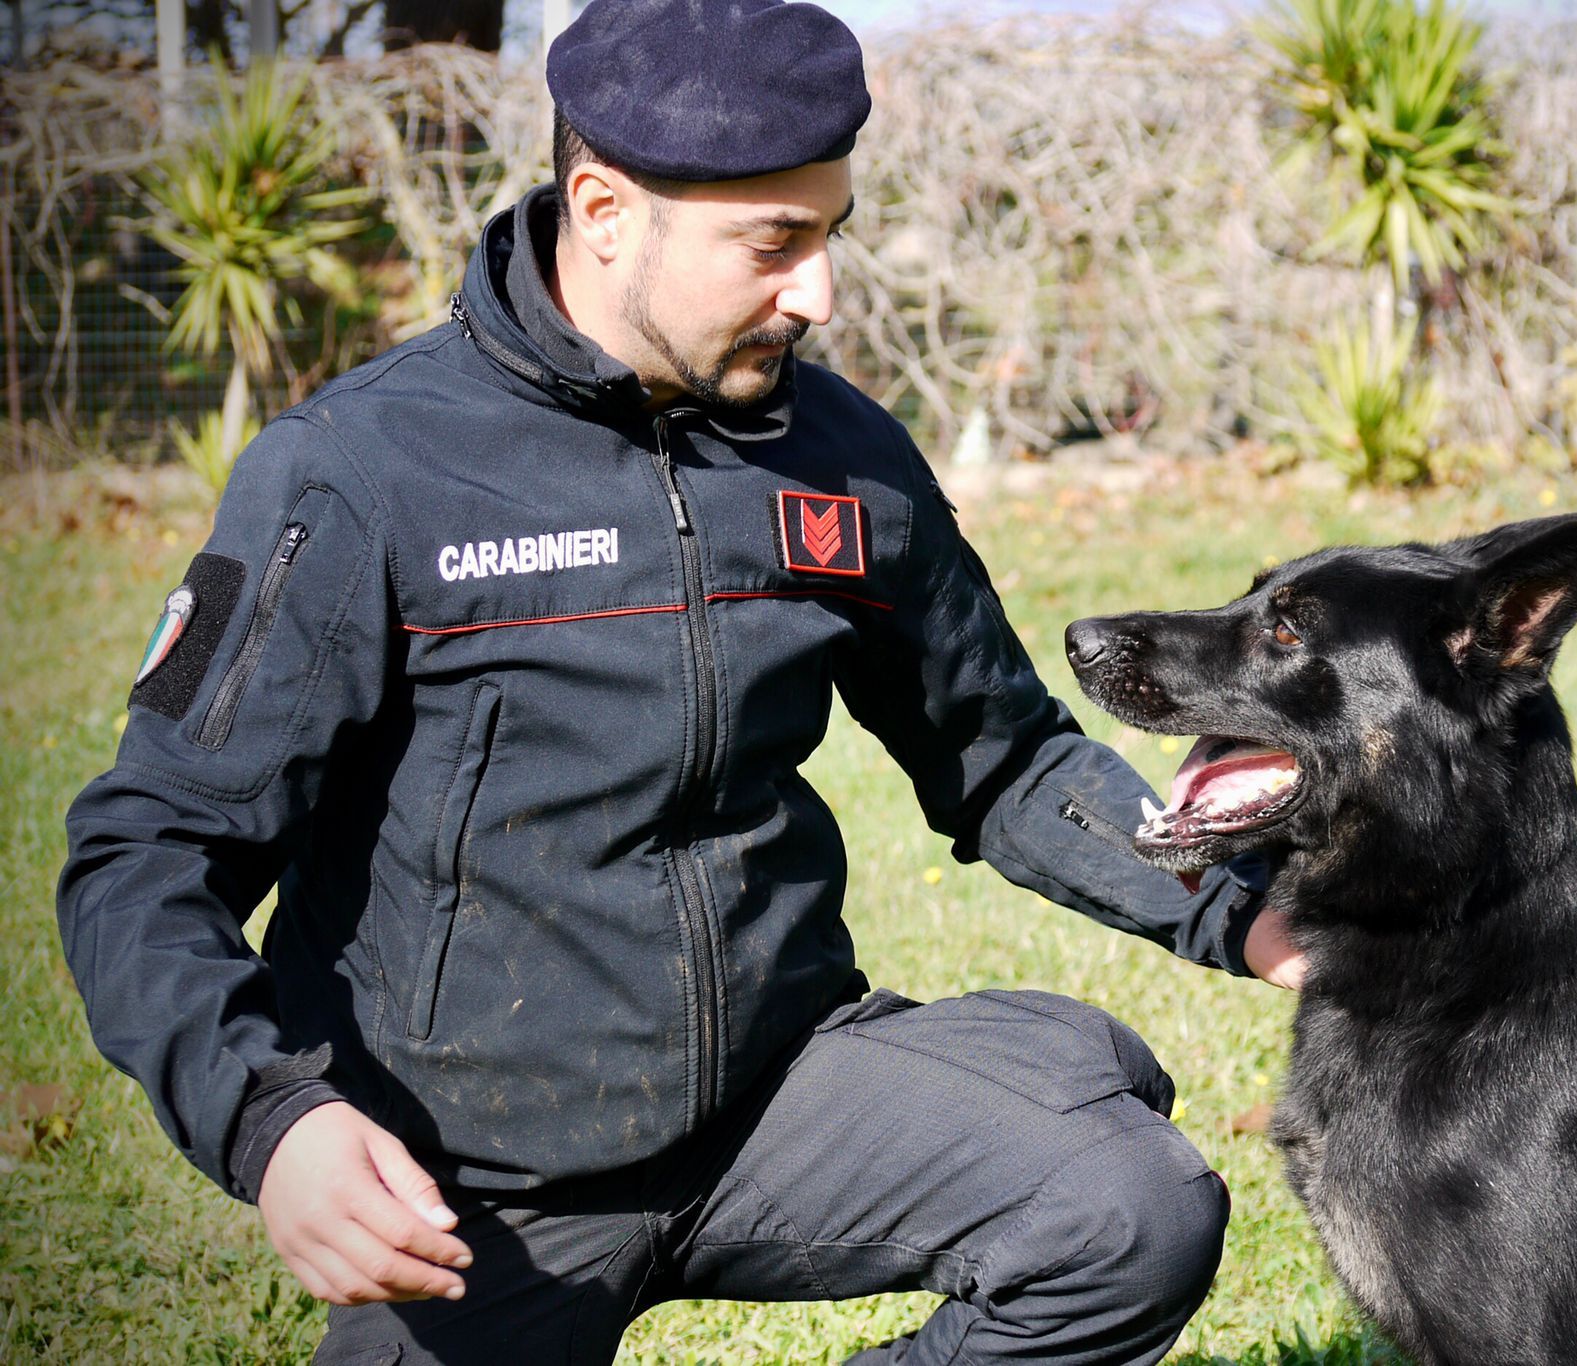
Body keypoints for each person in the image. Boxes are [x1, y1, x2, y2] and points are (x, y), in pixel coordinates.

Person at [56, 1, 1303, 1361]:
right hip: (481, 1188)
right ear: (603, 209)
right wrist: (272, 1120)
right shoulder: (355, 473)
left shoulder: (840, 455)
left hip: (781, 1099)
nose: (818, 290)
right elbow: (145, 857)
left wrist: (1239, 908)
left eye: (829, 233)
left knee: (1131, 1206)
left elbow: (1004, 759)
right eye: (775, 243)